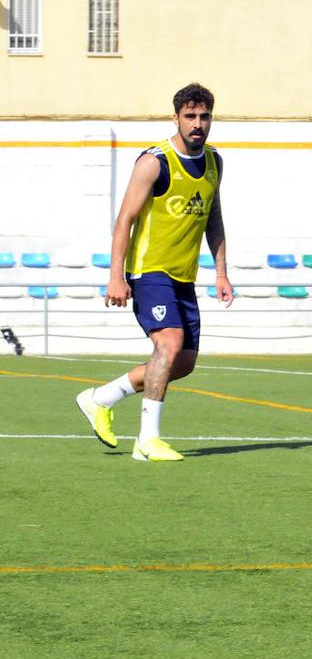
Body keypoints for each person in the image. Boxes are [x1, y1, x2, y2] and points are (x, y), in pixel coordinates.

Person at [74, 83, 233, 462]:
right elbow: (124, 219)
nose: (198, 124)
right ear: (175, 117)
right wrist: (116, 276)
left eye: (204, 116)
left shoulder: (214, 162)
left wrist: (221, 272)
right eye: (190, 116)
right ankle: (148, 440)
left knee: (183, 362)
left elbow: (214, 219)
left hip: (184, 277)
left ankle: (101, 398)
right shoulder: (154, 162)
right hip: (149, 272)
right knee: (168, 343)